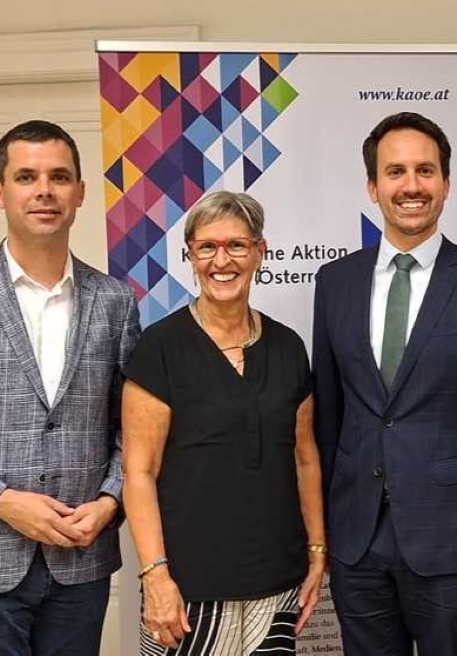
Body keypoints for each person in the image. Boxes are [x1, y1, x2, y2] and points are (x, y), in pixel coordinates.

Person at [0, 119, 140, 655]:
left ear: (80, 192)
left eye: (59, 176)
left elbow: (132, 428)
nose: (44, 190)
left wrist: (110, 501)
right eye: (26, 177)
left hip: (80, 563)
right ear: (0, 191)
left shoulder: (115, 301)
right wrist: (2, 501)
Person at [312, 111, 457, 656]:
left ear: (446, 184)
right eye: (396, 172)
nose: (411, 186)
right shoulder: (335, 283)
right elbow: (328, 418)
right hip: (356, 539)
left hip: (451, 543)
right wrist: (322, 536)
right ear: (373, 186)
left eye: (425, 171)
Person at [122, 190, 326, 654]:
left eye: (237, 245)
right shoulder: (160, 349)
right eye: (207, 247)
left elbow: (305, 459)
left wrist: (316, 552)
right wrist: (155, 576)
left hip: (277, 582)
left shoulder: (288, 347)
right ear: (190, 256)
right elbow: (139, 472)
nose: (222, 260)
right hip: (187, 591)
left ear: (260, 252)